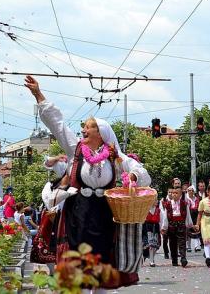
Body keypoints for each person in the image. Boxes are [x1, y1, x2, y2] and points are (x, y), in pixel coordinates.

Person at [25, 75, 151, 289]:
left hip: (105, 215)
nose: (83, 130)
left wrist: (132, 176)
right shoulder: (76, 150)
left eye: (88, 127)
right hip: (79, 215)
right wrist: (38, 94)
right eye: (84, 127)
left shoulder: (115, 157)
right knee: (80, 267)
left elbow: (143, 173)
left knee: (101, 266)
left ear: (100, 133)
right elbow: (58, 125)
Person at [161, 187, 192, 267]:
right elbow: (165, 216)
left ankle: (183, 258)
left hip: (181, 224)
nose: (174, 195)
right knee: (172, 243)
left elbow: (187, 215)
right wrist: (164, 227)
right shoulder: (168, 204)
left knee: (182, 242)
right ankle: (174, 260)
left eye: (176, 193)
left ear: (180, 194)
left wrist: (190, 225)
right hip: (172, 225)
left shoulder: (184, 203)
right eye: (173, 193)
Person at [143, 196, 161, 267]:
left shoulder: (158, 210)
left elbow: (161, 219)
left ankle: (152, 258)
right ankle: (151, 260)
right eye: (154, 200)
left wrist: (163, 228)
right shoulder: (146, 210)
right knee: (150, 244)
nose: (156, 202)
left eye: (156, 200)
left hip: (156, 227)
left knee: (156, 245)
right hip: (148, 228)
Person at [186, 185, 201, 252]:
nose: (191, 192)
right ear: (187, 191)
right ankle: (188, 246)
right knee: (188, 230)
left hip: (195, 215)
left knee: (196, 229)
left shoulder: (197, 198)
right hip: (188, 214)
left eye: (192, 190)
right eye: (189, 190)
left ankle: (197, 246)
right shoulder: (186, 198)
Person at [160, 187, 173, 259]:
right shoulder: (163, 201)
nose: (171, 194)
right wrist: (162, 224)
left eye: (172, 192)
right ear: (167, 193)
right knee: (165, 239)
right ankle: (166, 252)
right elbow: (161, 213)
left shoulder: (175, 200)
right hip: (164, 222)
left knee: (172, 239)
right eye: (169, 192)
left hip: (172, 222)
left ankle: (173, 252)